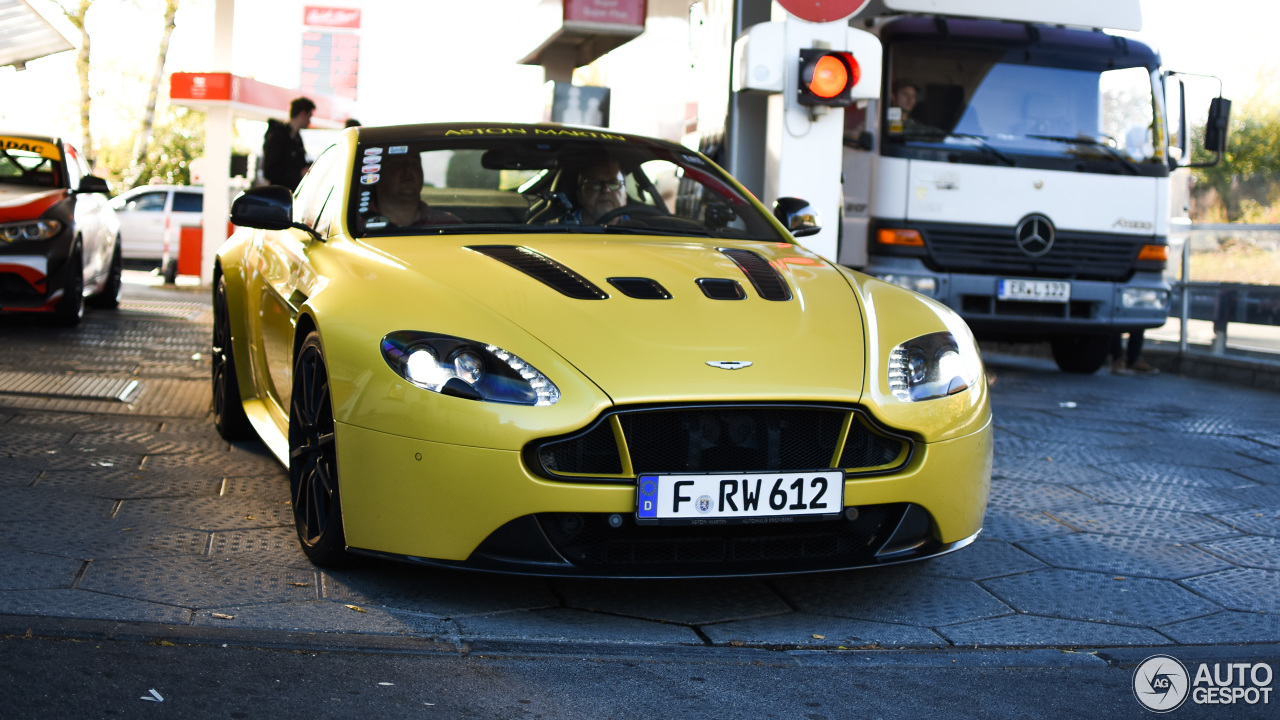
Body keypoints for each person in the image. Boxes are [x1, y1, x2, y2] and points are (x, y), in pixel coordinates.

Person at [358, 152, 461, 231]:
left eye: (414, 163)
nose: (408, 169)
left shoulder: (448, 223)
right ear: (377, 176)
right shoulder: (355, 226)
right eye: (397, 163)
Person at [262, 97, 315, 188]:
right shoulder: (278, 136)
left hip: (292, 193)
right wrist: (299, 173)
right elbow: (269, 171)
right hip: (280, 195)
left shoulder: (297, 138)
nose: (310, 121)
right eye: (309, 116)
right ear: (302, 114)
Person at [575, 155, 627, 225]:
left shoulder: (640, 228)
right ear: (580, 195)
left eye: (613, 184)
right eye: (596, 184)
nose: (606, 190)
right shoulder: (559, 229)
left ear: (625, 195)